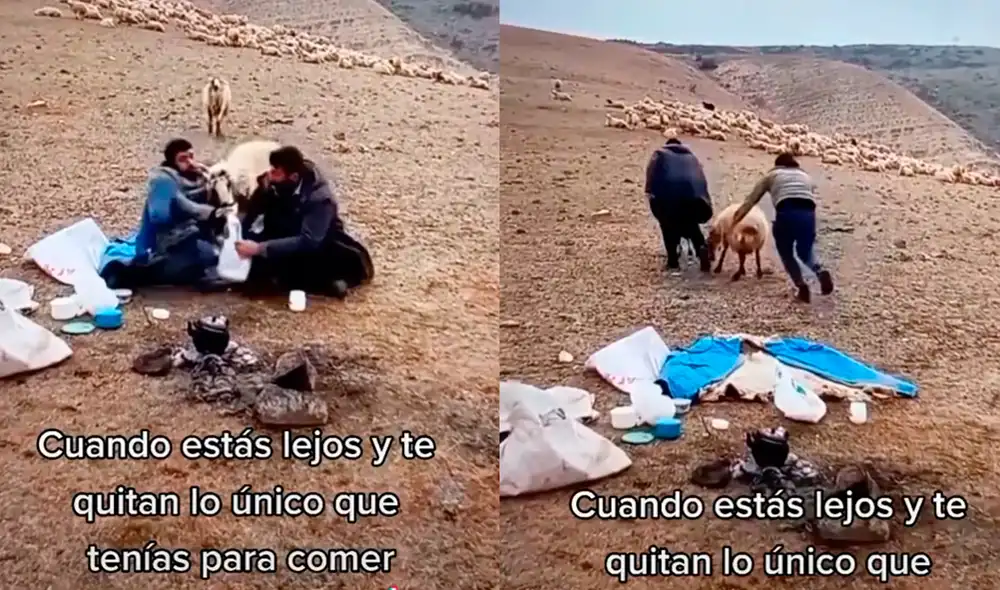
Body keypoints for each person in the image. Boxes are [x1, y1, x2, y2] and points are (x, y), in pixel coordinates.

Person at [235, 145, 374, 298]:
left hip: (316, 245)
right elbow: (252, 214)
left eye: (276, 173)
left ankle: (329, 283)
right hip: (284, 231)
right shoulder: (275, 184)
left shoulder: (320, 199)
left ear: (293, 177)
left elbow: (309, 241)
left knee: (292, 275)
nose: (270, 175)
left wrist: (259, 249)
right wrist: (260, 194)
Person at [108, 139, 229, 288]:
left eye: (191, 156)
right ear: (172, 161)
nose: (190, 162)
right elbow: (159, 216)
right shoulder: (163, 181)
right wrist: (202, 212)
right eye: (183, 159)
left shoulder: (197, 176)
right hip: (173, 241)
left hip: (193, 234)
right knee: (206, 260)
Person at [731, 153, 834, 303]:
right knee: (805, 252)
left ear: (778, 165)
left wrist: (734, 221)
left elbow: (750, 201)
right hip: (808, 216)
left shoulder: (771, 175)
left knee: (786, 253)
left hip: (786, 213)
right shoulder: (806, 177)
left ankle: (801, 286)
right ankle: (820, 272)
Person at [644, 137, 713, 271]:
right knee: (691, 224)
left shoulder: (659, 154)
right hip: (692, 197)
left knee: (667, 225)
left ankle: (673, 259)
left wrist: (650, 193)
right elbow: (701, 179)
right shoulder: (691, 157)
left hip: (667, 198)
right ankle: (701, 249)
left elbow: (651, 175)